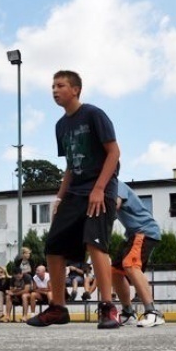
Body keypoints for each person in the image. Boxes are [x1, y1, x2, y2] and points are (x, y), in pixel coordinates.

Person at [27, 70, 121, 329]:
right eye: (52, 86)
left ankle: (108, 307)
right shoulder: (61, 126)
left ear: (76, 89)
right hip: (75, 193)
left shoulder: (93, 114)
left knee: (95, 243)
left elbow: (114, 153)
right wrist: (59, 198)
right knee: (53, 246)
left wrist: (100, 188)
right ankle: (58, 308)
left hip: (101, 190)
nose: (55, 90)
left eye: (60, 85)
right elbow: (70, 165)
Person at [112, 181, 165, 327]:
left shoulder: (116, 184)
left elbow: (114, 205)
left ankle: (152, 313)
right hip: (132, 234)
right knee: (115, 272)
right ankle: (128, 313)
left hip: (145, 230)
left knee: (130, 265)